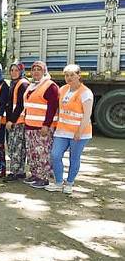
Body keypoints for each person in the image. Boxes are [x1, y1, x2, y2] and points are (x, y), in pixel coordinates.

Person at [45, 64, 93, 194]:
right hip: (62, 131)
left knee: (74, 158)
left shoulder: (86, 93)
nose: (69, 78)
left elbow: (87, 115)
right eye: (66, 75)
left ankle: (70, 183)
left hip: (79, 133)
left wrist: (79, 132)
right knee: (55, 155)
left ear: (79, 75)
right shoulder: (63, 89)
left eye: (72, 75)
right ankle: (59, 182)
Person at [23, 60, 59, 188]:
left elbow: (52, 107)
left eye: (39, 69)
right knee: (32, 152)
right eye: (34, 69)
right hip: (30, 125)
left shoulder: (50, 86)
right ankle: (35, 174)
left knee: (43, 153)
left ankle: (44, 178)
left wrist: (46, 125)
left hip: (42, 127)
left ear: (44, 71)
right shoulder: (32, 86)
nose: (36, 72)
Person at [3, 62, 29, 182]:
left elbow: (20, 105)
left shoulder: (22, 84)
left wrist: (11, 121)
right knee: (18, 147)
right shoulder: (15, 84)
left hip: (18, 122)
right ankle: (20, 171)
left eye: (16, 70)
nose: (13, 72)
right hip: (16, 121)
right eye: (11, 70)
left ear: (21, 71)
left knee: (15, 148)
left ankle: (14, 172)